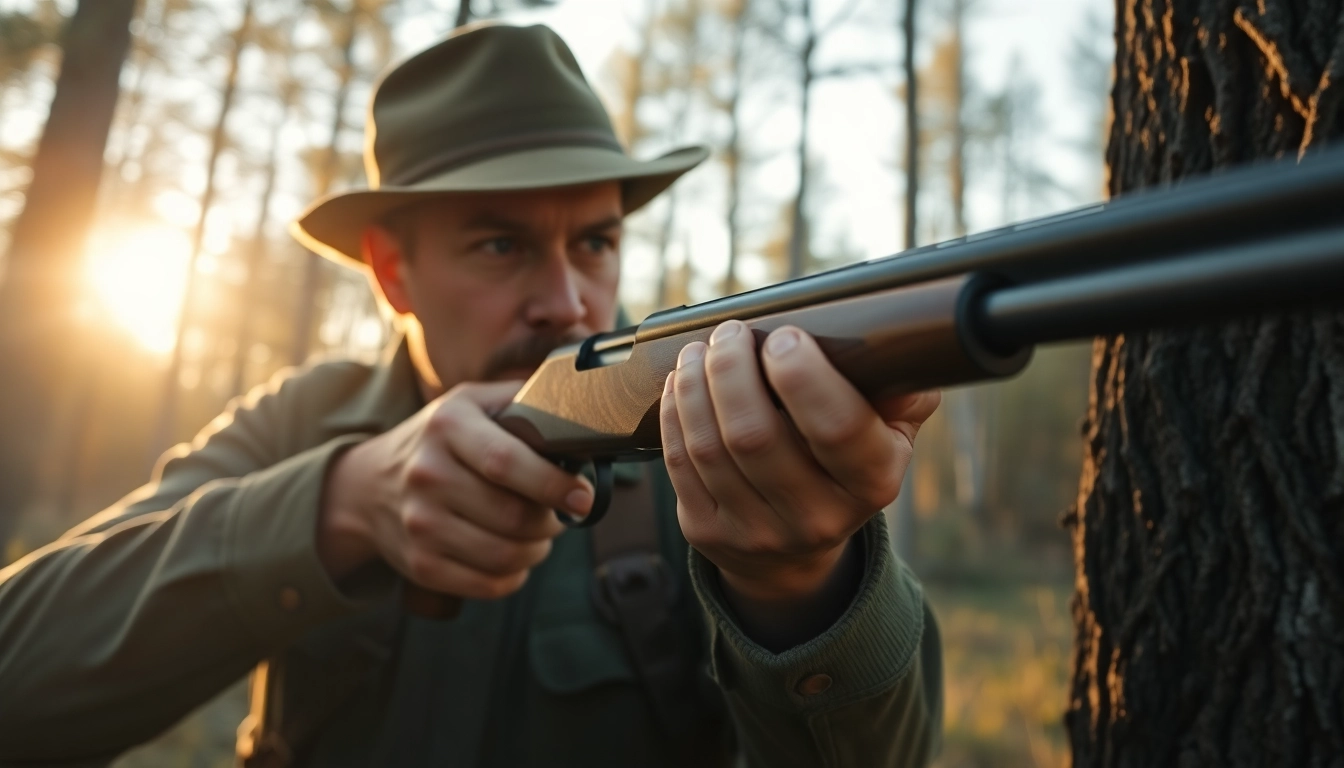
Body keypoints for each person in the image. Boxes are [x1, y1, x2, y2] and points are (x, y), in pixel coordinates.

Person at [0, 23, 943, 767]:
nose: (568, 300)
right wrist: (335, 508)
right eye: (501, 245)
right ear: (393, 273)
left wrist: (801, 588)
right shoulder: (299, 426)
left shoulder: (701, 463)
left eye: (596, 243)